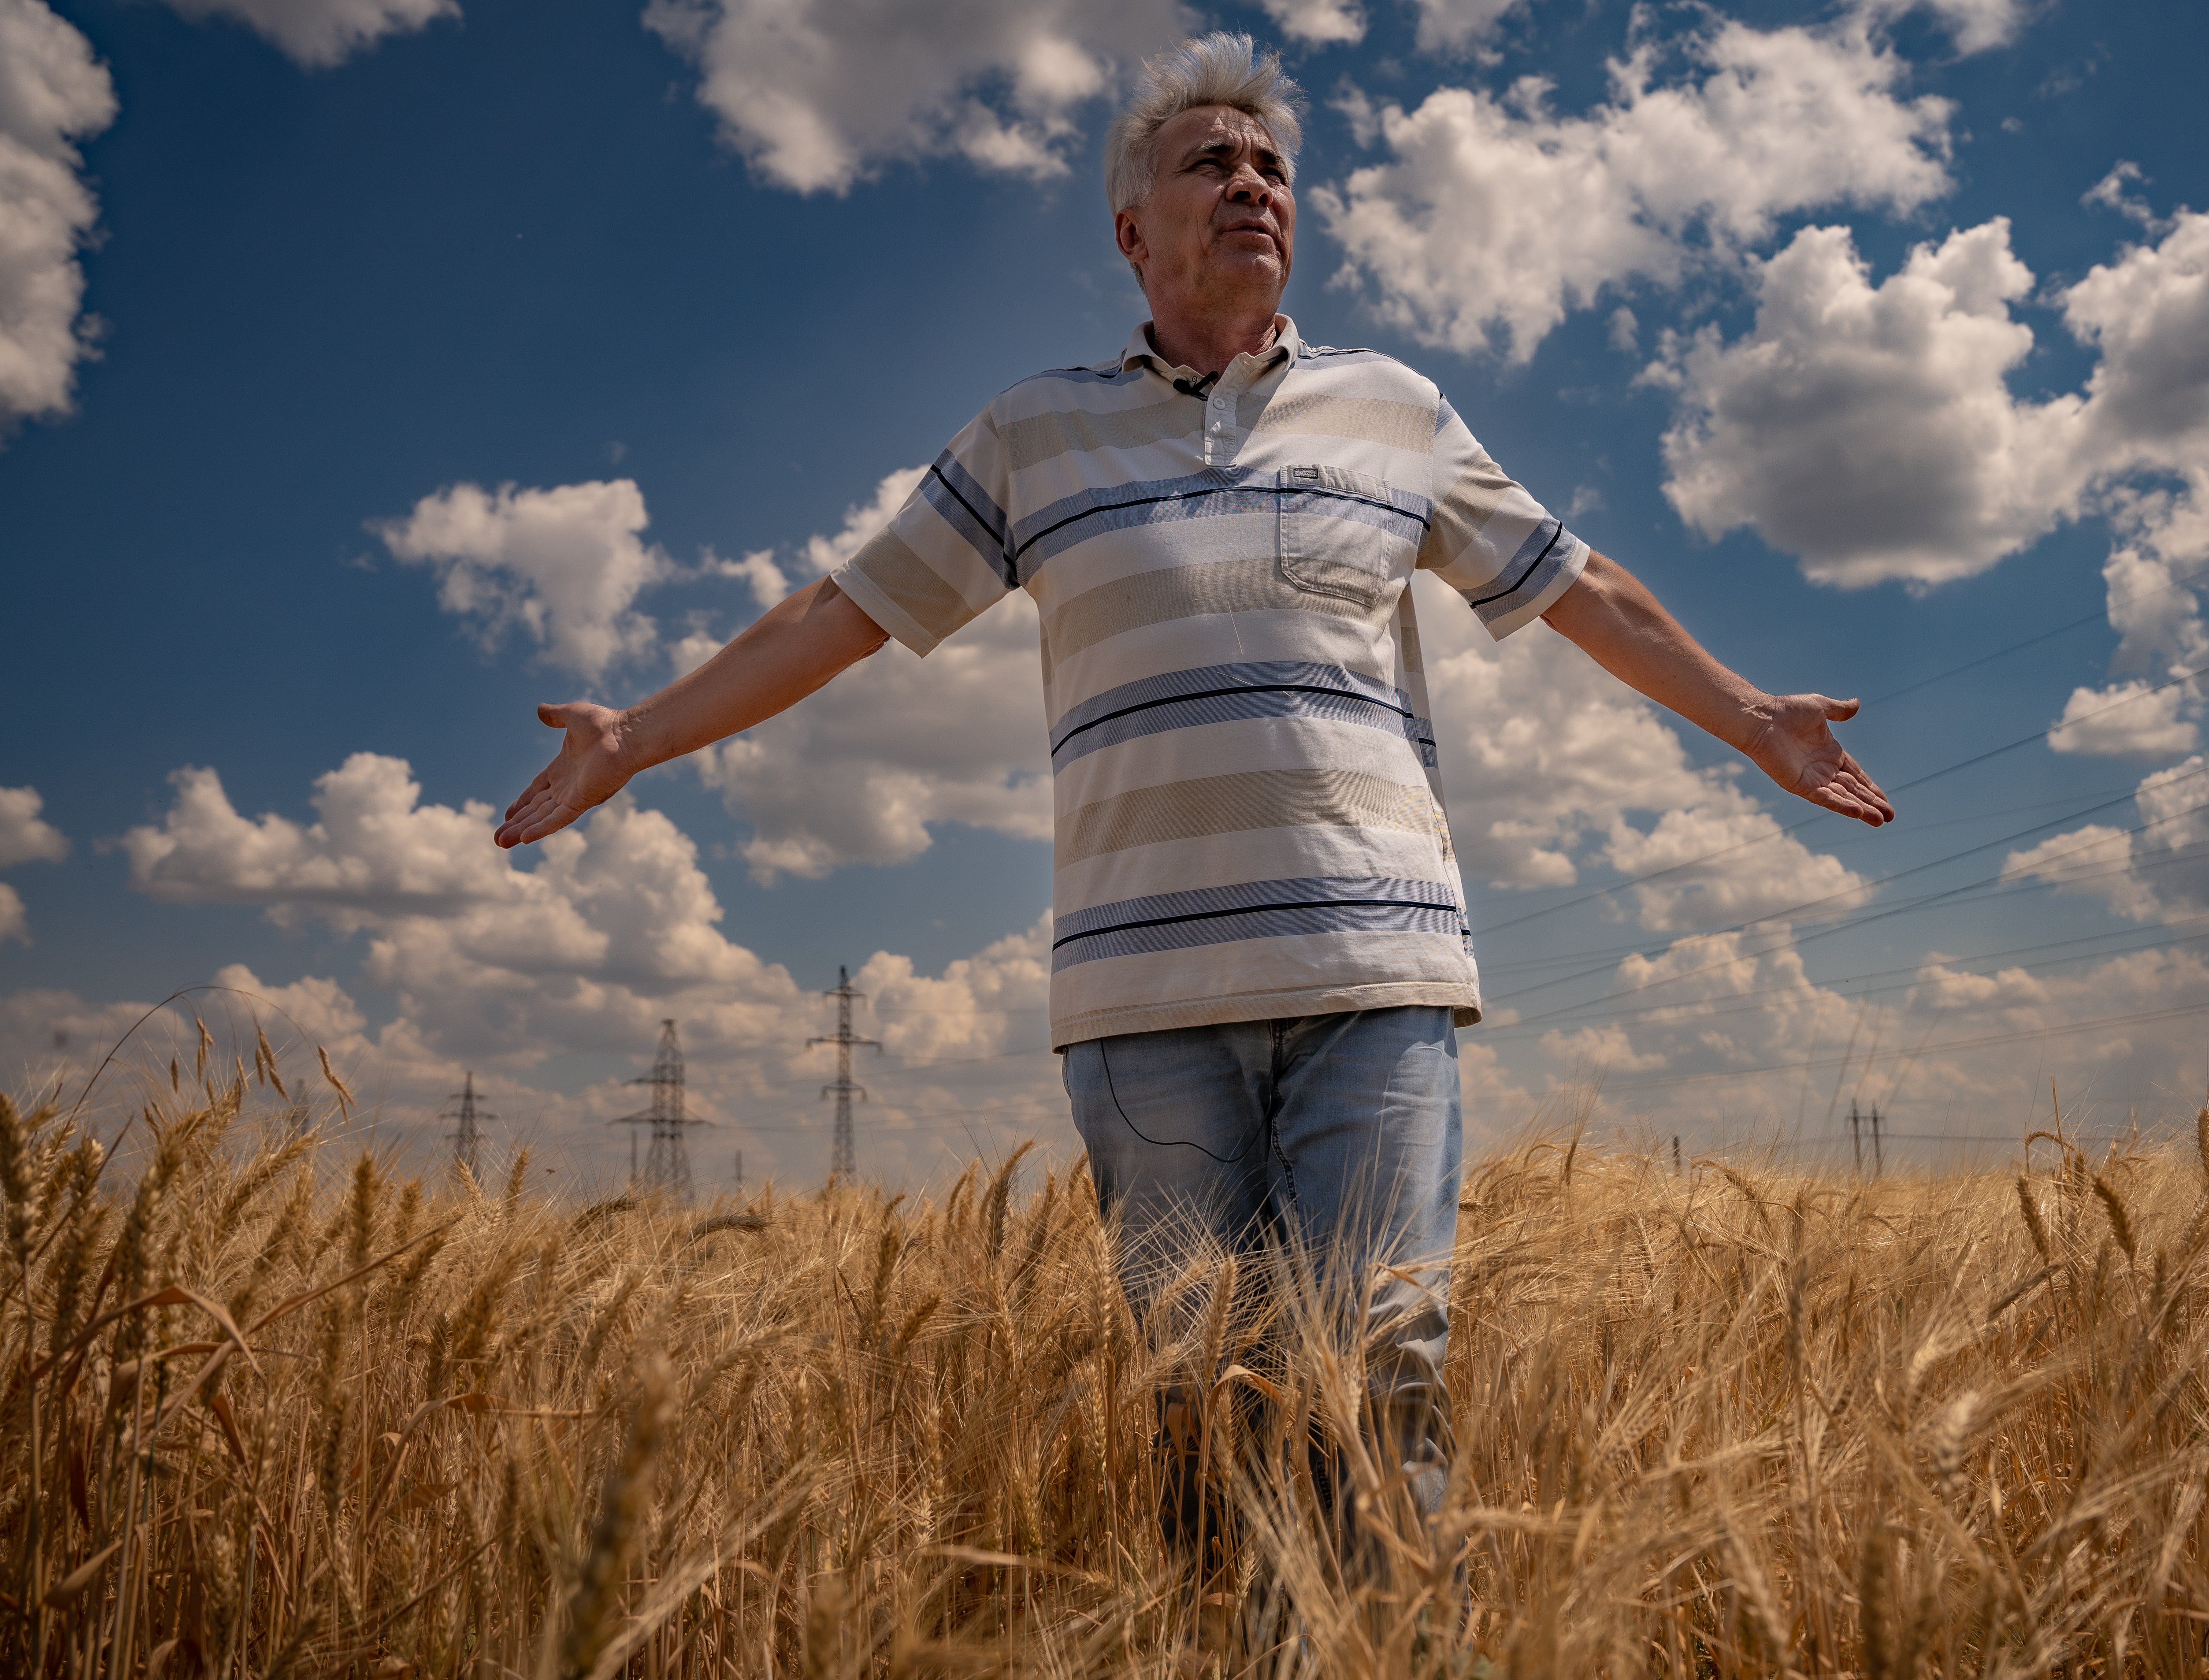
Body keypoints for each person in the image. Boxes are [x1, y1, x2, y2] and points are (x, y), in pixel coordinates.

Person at [494, 30, 1891, 1573]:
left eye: (1273, 166)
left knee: (1380, 1386)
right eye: (1210, 163)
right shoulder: (1035, 433)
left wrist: (1754, 716)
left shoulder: (1396, 410)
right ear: (1131, 231)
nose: (1252, 185)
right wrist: (636, 736)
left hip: (1375, 978)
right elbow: (840, 611)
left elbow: (1581, 587)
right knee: (1197, 1402)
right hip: (1143, 1000)